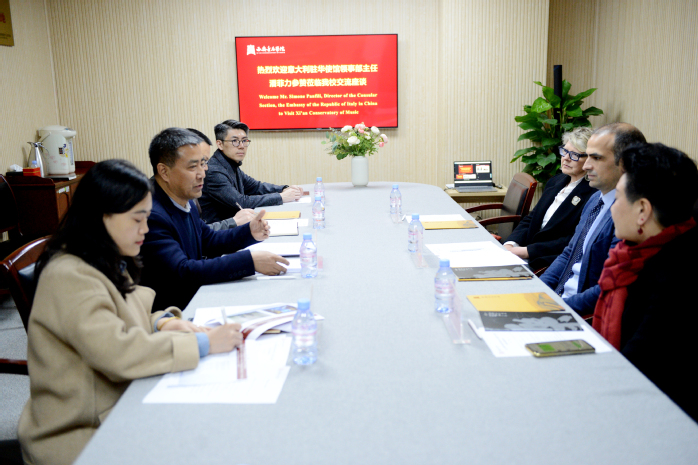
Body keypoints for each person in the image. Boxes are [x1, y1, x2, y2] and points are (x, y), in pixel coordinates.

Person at [17, 160, 243, 465]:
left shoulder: (104, 256)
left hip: (116, 404)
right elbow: (118, 352)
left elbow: (123, 315)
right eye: (137, 219)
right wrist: (203, 343)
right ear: (101, 216)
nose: (145, 229)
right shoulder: (69, 275)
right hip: (81, 432)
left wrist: (162, 323)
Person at [592, 143, 698, 421]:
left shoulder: (677, 277)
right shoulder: (636, 256)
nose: (612, 209)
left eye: (618, 198)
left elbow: (637, 365)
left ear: (642, 210)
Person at [140, 128, 289, 311]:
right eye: (193, 167)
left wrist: (249, 232)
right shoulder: (150, 214)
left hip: (197, 296)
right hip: (174, 312)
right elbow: (183, 271)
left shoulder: (184, 197)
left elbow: (207, 239)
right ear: (164, 171)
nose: (202, 173)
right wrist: (248, 261)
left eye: (203, 163)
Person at [540, 123, 646, 315]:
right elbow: (569, 253)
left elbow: (606, 288)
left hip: (579, 313)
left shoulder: (629, 215)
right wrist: (538, 291)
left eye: (596, 158)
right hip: (556, 300)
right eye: (587, 156)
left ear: (625, 163)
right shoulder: (595, 199)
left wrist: (558, 309)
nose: (586, 165)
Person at [504, 127, 596, 270]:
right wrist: (510, 244)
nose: (566, 158)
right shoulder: (556, 181)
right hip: (523, 253)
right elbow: (532, 218)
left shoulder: (592, 194)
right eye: (565, 151)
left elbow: (572, 240)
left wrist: (526, 251)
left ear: (589, 159)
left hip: (547, 262)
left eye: (574, 155)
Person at [198, 119, 304, 223]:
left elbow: (256, 187)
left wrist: (284, 189)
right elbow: (241, 202)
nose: (241, 146)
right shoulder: (214, 171)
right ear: (220, 144)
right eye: (235, 141)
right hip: (221, 231)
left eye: (244, 141)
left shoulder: (230, 164)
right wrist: (281, 197)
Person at [187, 127, 256, 230]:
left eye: (204, 163)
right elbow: (196, 234)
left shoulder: (232, 165)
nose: (204, 172)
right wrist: (234, 222)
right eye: (193, 165)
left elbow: (199, 231)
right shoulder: (214, 171)